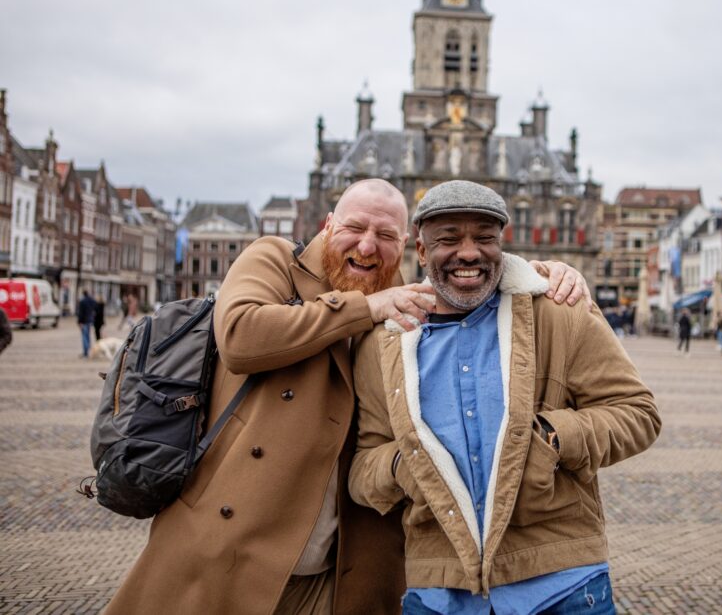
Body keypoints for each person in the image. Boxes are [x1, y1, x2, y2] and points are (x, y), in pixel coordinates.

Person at [105, 178, 592, 615]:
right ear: (327, 224)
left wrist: (547, 275)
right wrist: (364, 307)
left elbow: (471, 277)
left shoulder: (407, 299)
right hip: (233, 546)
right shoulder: (276, 260)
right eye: (355, 228)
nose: (367, 245)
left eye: (385, 237)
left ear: (406, 246)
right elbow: (240, 337)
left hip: (342, 568)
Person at [349, 181, 660, 615]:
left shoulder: (560, 311)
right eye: (449, 239)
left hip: (562, 587)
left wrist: (551, 439)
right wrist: (404, 467)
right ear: (419, 251)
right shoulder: (380, 345)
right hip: (440, 594)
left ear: (502, 243)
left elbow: (639, 414)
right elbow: (362, 467)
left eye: (484, 237)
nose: (470, 252)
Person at [76, 290, 96, 359]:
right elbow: (95, 308)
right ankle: (89, 351)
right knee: (88, 336)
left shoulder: (82, 301)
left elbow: (80, 313)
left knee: (84, 337)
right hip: (89, 320)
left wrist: (79, 322)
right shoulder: (92, 300)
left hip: (84, 321)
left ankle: (86, 353)